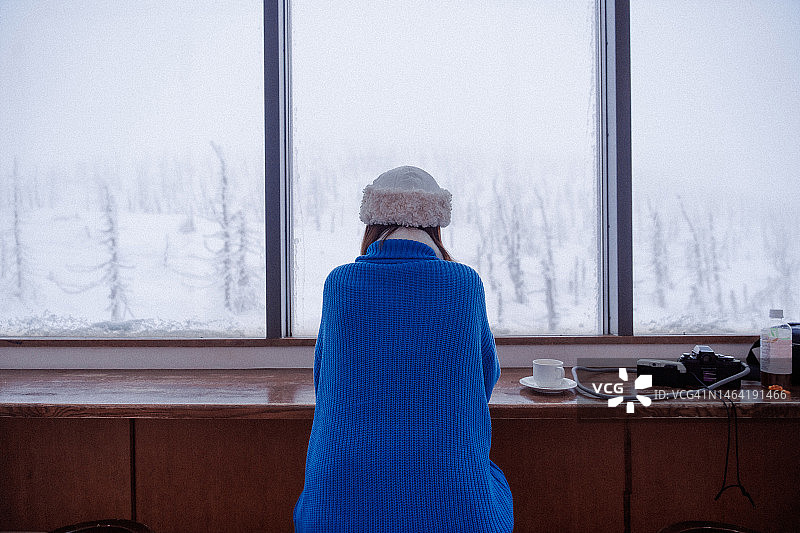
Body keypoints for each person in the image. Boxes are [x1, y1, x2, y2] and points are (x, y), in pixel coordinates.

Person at [293, 166, 514, 532]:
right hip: (455, 511)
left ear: (372, 224)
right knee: (480, 485)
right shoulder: (464, 284)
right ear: (435, 226)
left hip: (333, 510)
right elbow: (484, 377)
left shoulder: (340, 283)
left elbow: (323, 378)